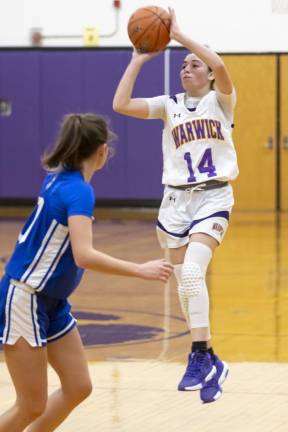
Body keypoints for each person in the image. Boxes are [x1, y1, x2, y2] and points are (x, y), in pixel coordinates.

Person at [0, 113, 173, 432]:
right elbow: (84, 255)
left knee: (78, 386)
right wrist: (140, 269)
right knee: (31, 405)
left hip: (51, 302)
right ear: (102, 151)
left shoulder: (58, 176)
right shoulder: (78, 191)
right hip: (25, 298)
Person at [113, 7, 239, 403]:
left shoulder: (222, 102)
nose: (188, 67)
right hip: (174, 203)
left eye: (195, 64)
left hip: (213, 196)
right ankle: (212, 358)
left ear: (211, 74)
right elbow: (120, 104)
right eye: (183, 65)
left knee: (190, 277)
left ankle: (199, 354)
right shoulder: (168, 104)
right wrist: (137, 60)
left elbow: (218, 60)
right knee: (187, 290)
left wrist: (179, 34)